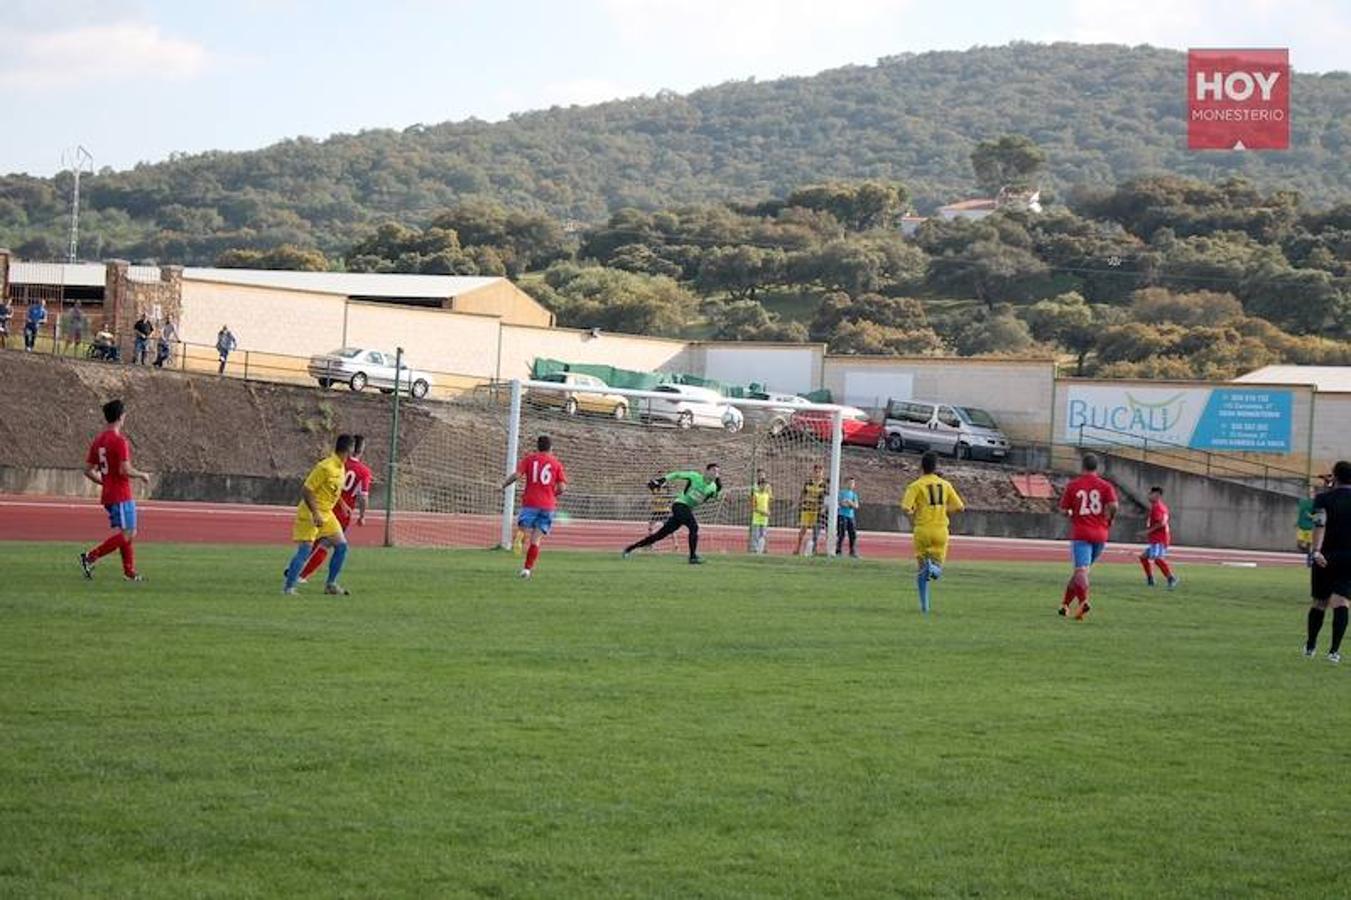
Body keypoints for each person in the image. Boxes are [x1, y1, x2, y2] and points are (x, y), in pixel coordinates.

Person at [79, 399, 152, 581]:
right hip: (120, 494)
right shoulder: (119, 441)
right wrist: (142, 474)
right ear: (121, 417)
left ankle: (129, 571)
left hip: (110, 494)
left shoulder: (99, 440)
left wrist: (104, 482)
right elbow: (124, 470)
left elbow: (88, 470)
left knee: (127, 532)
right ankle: (90, 556)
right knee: (129, 533)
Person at [281, 434, 353, 596]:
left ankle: (330, 584)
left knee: (341, 546)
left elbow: (332, 489)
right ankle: (288, 588)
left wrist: (342, 503)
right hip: (311, 513)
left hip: (327, 514)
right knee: (305, 550)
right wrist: (315, 513)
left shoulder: (341, 467)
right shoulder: (325, 467)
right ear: (349, 449)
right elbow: (307, 489)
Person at [298, 433, 374, 583]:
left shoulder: (339, 463)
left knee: (313, 540)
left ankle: (296, 569)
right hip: (341, 514)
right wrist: (362, 515)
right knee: (328, 544)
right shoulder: (363, 471)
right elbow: (363, 496)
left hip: (326, 505)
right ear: (361, 449)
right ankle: (303, 575)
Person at [901, 452, 966, 614]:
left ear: (921, 466)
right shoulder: (945, 485)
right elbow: (960, 506)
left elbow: (905, 507)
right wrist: (943, 509)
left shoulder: (916, 485)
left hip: (922, 530)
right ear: (935, 467)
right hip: (940, 530)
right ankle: (932, 569)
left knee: (921, 571)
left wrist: (914, 510)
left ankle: (925, 606)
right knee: (937, 570)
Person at [1058, 453, 1119, 620]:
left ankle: (1084, 602)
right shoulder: (1106, 486)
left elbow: (1063, 510)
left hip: (1081, 533)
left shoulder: (1073, 485)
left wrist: (1071, 513)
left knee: (1080, 570)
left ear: (1082, 466)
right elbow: (1114, 505)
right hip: (1101, 534)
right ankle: (1064, 605)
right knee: (1081, 572)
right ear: (1096, 467)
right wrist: (1110, 519)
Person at [623, 463, 722, 564]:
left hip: (686, 509)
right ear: (706, 471)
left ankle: (630, 548)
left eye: (718, 472)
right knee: (694, 527)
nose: (716, 473)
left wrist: (720, 492)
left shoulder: (713, 487)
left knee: (660, 535)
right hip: (680, 505)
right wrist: (662, 480)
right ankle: (693, 557)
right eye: (714, 470)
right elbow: (676, 474)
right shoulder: (695, 476)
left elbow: (715, 496)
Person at [501, 435, 567, 578]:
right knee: (536, 540)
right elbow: (562, 487)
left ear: (537, 446)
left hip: (530, 502)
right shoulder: (556, 463)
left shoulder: (529, 459)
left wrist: (504, 485)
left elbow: (517, 475)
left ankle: (519, 537)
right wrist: (552, 494)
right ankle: (527, 569)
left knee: (523, 528)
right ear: (551, 448)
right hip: (548, 505)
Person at [1305, 461, 1351, 663]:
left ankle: (1311, 645)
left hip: (1326, 555)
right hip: (1349, 557)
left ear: (1335, 476)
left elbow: (1320, 523)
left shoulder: (1323, 498)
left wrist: (1316, 551)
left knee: (1320, 601)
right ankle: (1334, 651)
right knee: (1342, 602)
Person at [1138, 486, 1178, 589]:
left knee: (1157, 558)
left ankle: (1171, 578)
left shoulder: (1158, 507)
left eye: (1151, 494)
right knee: (1143, 557)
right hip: (1156, 539)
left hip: (1160, 539)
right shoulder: (1158, 507)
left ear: (1157, 495)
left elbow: (1162, 523)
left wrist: (1148, 531)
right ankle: (1150, 578)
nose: (1149, 496)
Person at [795, 463, 827, 556]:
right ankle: (798, 548)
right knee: (803, 529)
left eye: (819, 472)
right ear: (813, 472)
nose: (817, 474)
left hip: (817, 510)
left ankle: (814, 548)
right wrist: (799, 503)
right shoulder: (808, 483)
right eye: (816, 472)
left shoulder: (824, 485)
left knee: (816, 530)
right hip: (807, 509)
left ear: (822, 473)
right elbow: (803, 494)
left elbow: (826, 498)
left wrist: (823, 507)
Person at [836, 476, 860, 558]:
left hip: (851, 516)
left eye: (853, 483)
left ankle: (852, 551)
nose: (851, 485)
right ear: (845, 484)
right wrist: (847, 503)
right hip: (842, 515)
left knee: (852, 534)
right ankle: (838, 550)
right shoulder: (841, 493)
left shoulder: (854, 494)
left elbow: (856, 506)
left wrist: (850, 502)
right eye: (850, 483)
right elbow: (841, 503)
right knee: (841, 534)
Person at [749, 471, 772, 554]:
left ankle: (762, 549)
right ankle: (754, 549)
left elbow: (768, 503)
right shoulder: (756, 494)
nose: (764, 487)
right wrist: (761, 512)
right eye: (762, 485)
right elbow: (753, 506)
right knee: (755, 534)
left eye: (765, 485)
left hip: (764, 517)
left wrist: (768, 511)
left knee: (764, 534)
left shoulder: (766, 495)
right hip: (757, 517)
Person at [1297, 483, 1317, 554]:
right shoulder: (1302, 501)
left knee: (1310, 544)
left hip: (1310, 527)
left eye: (1311, 491)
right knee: (1300, 543)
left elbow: (1319, 514)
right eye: (1308, 491)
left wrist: (1311, 516)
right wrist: (1297, 522)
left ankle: (1309, 557)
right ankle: (1305, 550)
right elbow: (1300, 512)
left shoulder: (1316, 502)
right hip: (1302, 526)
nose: (1309, 492)